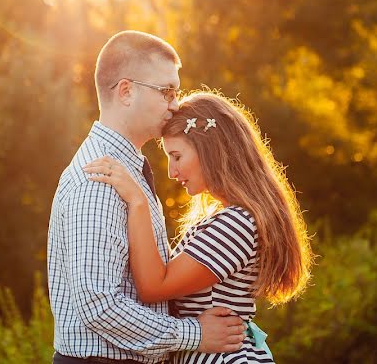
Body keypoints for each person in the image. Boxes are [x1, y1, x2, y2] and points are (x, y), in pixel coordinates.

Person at [48, 32, 247, 364]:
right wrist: (195, 334)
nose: (174, 104)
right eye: (166, 91)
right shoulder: (98, 179)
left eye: (176, 92)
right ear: (126, 91)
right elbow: (99, 306)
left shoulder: (125, 171)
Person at [83, 91, 313, 363]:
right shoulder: (230, 218)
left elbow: (154, 286)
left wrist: (137, 201)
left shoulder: (236, 223)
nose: (171, 171)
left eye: (177, 156)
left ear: (210, 151)